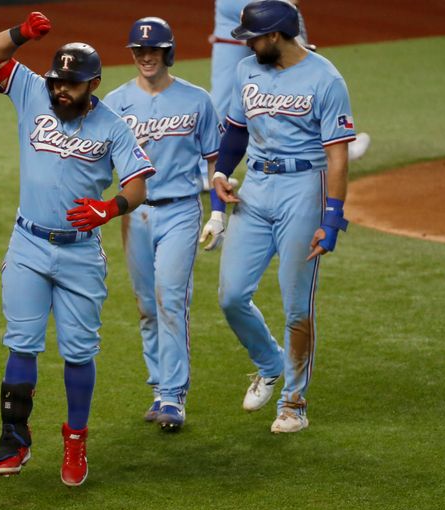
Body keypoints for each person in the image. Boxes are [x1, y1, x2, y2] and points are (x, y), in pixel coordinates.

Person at [0, 12, 155, 486]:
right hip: (28, 243)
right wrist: (20, 34)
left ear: (93, 83)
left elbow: (137, 185)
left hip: (79, 254)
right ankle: (14, 437)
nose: (60, 91)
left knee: (78, 352)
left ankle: (75, 442)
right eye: (57, 82)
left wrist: (110, 208)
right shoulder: (32, 91)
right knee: (21, 342)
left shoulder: (113, 125)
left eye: (71, 85)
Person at [211, 0, 356, 433]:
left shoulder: (326, 78)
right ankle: (269, 363)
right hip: (255, 188)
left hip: (303, 188)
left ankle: (294, 403)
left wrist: (332, 220)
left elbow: (338, 155)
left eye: (253, 38)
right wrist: (221, 172)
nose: (247, 46)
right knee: (231, 295)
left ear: (275, 35)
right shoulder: (247, 71)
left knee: (296, 304)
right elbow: (236, 129)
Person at [102, 17, 223, 431]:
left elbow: (215, 161)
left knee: (171, 298)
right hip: (134, 214)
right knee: (146, 305)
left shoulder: (197, 100)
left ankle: (173, 395)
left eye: (153, 50)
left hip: (181, 210)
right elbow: (99, 160)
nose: (146, 56)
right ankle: (158, 387)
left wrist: (219, 211)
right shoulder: (115, 103)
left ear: (167, 52)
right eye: (139, 50)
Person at [209, 0, 369, 156]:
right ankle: (335, 143)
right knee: (301, 74)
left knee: (221, 97)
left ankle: (203, 169)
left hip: (228, 8)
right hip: (268, 7)